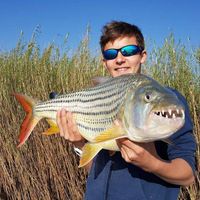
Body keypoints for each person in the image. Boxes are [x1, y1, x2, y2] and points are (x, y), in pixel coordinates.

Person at [56, 21, 196, 200]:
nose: (120, 59)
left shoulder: (169, 102)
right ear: (105, 62)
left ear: (142, 56)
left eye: (128, 51)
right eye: (111, 54)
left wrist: (151, 163)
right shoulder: (98, 99)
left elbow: (188, 176)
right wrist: (78, 145)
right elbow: (94, 171)